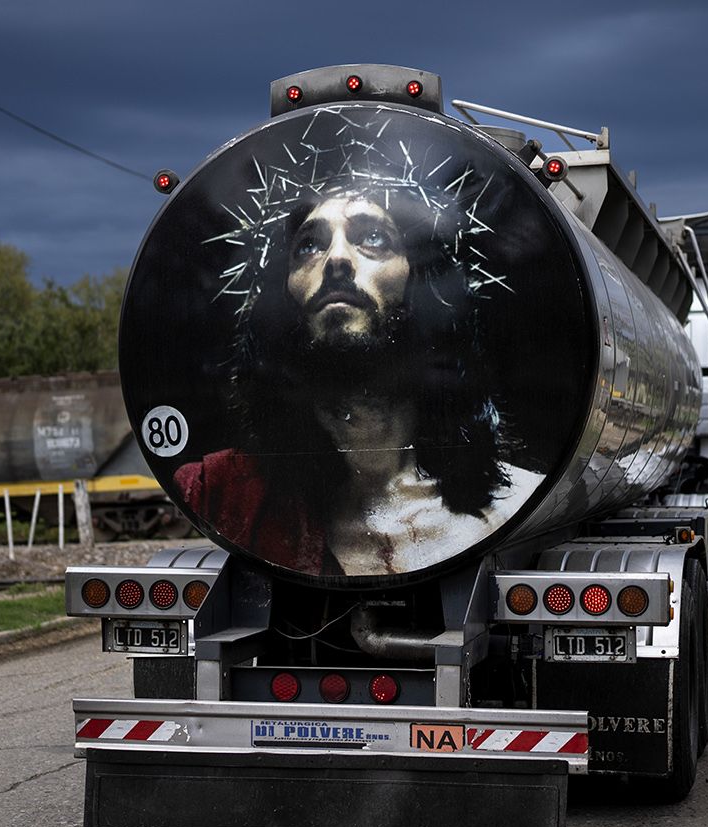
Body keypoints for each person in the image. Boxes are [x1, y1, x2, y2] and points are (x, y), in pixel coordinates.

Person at [175, 188, 541, 576]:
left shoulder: (515, 506)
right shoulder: (218, 495)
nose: (335, 259)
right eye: (309, 246)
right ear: (286, 292)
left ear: (420, 281)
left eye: (373, 238)